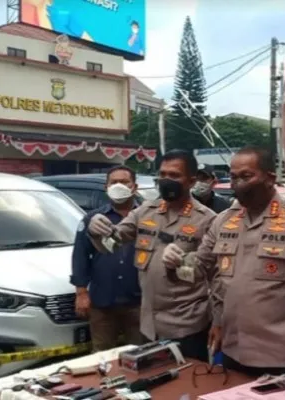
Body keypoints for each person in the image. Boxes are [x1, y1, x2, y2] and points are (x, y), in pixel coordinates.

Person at [182, 146, 285, 390]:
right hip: (235, 350)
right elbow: (210, 273)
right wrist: (177, 260)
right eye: (233, 177)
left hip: (284, 355)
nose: (238, 184)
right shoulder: (223, 220)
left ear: (270, 177)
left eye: (246, 176)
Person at [87, 150, 216, 362]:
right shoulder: (145, 211)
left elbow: (211, 273)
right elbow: (113, 243)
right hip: (148, 324)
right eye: (163, 174)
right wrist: (96, 231)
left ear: (191, 181)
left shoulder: (207, 220)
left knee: (186, 386)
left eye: (174, 176)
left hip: (187, 324)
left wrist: (181, 263)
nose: (166, 181)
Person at [71, 166, 142, 352]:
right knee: (102, 356)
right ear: (106, 187)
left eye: (124, 182)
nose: (119, 186)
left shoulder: (147, 218)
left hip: (139, 302)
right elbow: (80, 256)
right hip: (103, 302)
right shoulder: (93, 220)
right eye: (114, 182)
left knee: (142, 355)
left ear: (135, 187)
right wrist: (81, 293)